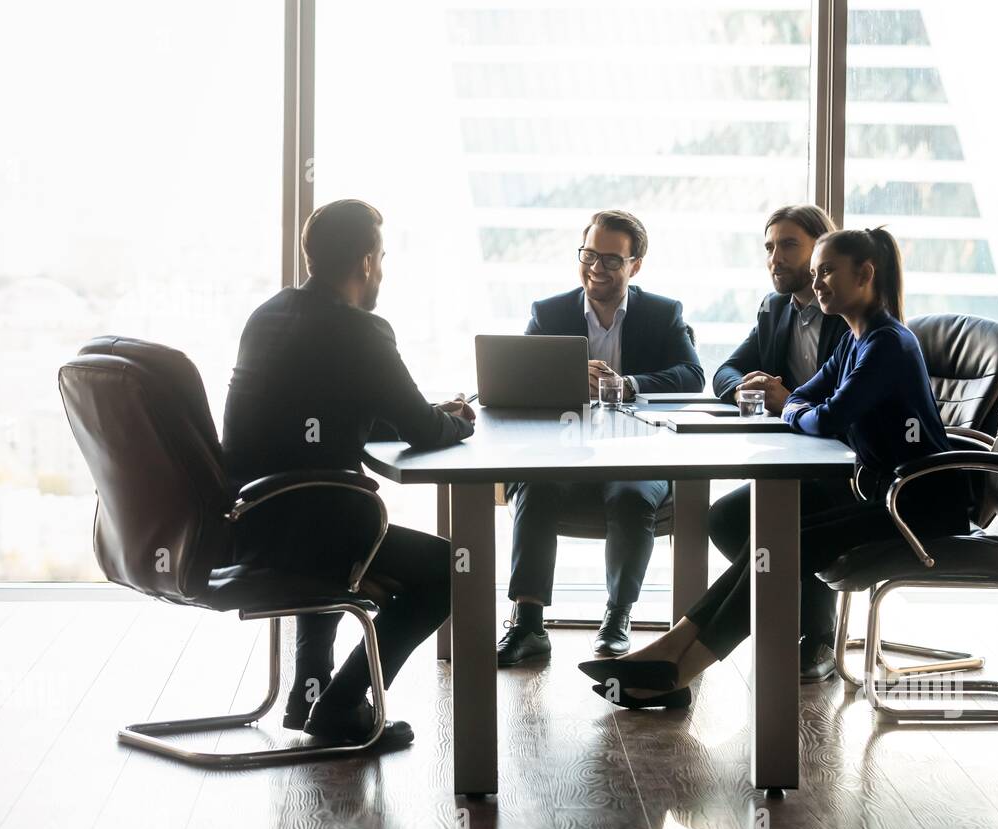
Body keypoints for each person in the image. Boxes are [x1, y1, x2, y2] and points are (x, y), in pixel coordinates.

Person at [577, 227, 971, 708]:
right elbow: (808, 399)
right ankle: (671, 654)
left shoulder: (888, 344)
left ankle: (678, 668)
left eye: (828, 270)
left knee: (784, 547)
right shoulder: (855, 339)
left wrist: (788, 405)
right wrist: (793, 404)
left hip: (919, 504)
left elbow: (825, 416)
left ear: (865, 274)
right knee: (753, 529)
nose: (817, 280)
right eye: (817, 271)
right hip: (876, 490)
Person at [222, 199, 476, 745]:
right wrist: (458, 420)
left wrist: (417, 414)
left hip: (248, 522)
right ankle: (340, 704)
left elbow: (322, 404)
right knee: (450, 571)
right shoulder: (362, 330)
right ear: (366, 262)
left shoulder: (268, 315)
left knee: (336, 527)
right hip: (304, 527)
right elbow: (424, 431)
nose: (381, 269)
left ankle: (308, 692)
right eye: (380, 257)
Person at [497, 209, 705, 665]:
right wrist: (570, 378)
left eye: (611, 260)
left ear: (635, 266)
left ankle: (617, 617)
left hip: (638, 451)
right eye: (589, 255)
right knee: (533, 483)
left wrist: (627, 385)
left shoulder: (662, 313)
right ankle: (528, 623)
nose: (596, 268)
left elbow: (693, 376)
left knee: (631, 494)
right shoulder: (548, 311)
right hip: (563, 453)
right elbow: (515, 380)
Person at [709, 204, 855, 681]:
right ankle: (795, 621)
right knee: (726, 519)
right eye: (769, 247)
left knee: (792, 522)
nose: (775, 257)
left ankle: (817, 638)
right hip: (797, 457)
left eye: (789, 244)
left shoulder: (850, 315)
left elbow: (854, 405)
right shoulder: (775, 310)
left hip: (850, 468)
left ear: (822, 250)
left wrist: (788, 399)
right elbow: (723, 371)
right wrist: (744, 387)